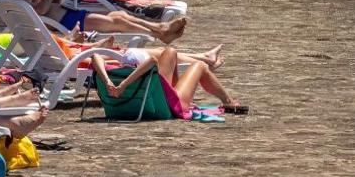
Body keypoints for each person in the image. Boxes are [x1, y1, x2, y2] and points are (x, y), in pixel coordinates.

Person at [94, 42, 247, 114]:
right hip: (167, 106)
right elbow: (152, 61)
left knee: (170, 51)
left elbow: (95, 56)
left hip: (137, 101)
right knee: (200, 66)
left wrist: (108, 81)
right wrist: (124, 85)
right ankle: (228, 101)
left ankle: (207, 60)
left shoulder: (114, 71)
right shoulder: (144, 68)